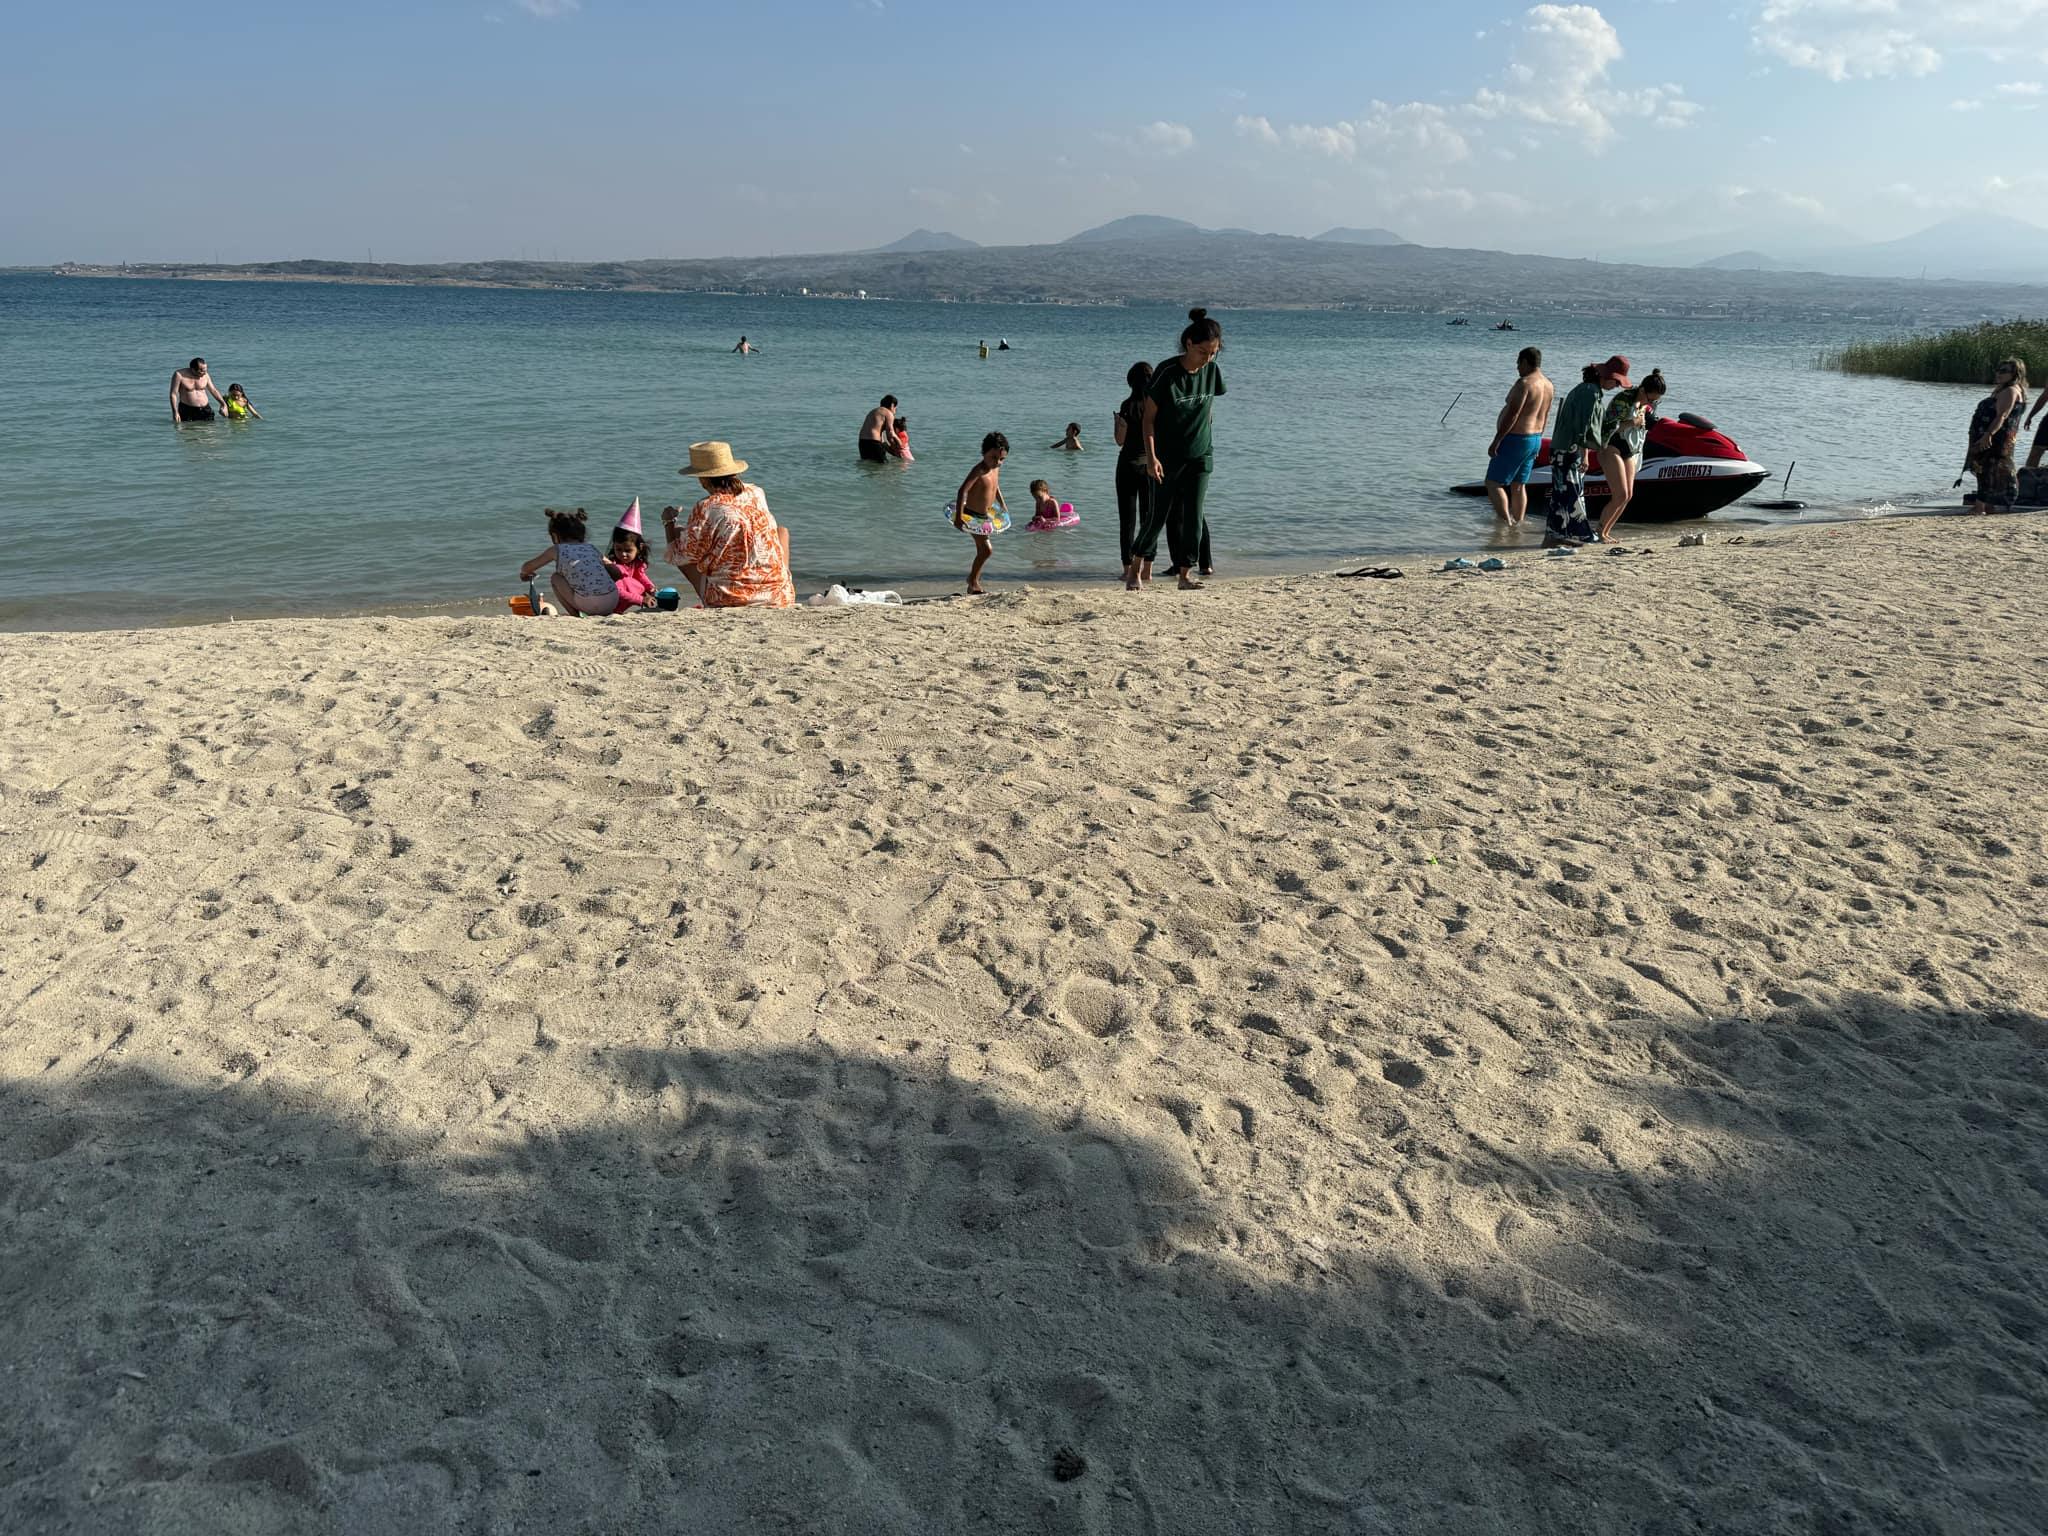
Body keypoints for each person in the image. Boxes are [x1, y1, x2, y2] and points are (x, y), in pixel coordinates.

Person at [1137, 307, 1227, 590]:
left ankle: (1185, 575)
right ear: (1188, 344)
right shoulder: (1166, 372)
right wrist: (1151, 458)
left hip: (1201, 454)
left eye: (1213, 353)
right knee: (1157, 516)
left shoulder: (1212, 370)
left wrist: (1205, 432)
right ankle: (1135, 567)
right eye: (1202, 352)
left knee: (1194, 516)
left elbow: (1208, 405)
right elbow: (1148, 419)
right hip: (1167, 457)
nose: (1207, 358)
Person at [662, 441, 796, 608]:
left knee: (679, 540)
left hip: (730, 599)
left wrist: (669, 523)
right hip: (779, 596)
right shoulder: (757, 492)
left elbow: (680, 555)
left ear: (703, 479)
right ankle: (777, 582)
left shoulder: (706, 507)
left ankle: (709, 598)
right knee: (781, 531)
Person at [1543, 356, 1626, 547]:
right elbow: (1584, 427)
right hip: (1570, 449)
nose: (1617, 386)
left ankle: (1555, 534)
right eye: (1616, 382)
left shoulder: (1588, 389)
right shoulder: (1590, 393)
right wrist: (1585, 455)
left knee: (1562, 493)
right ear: (1606, 376)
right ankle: (1580, 534)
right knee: (1573, 493)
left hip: (1561, 447)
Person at [1595, 368, 1667, 542]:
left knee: (1627, 496)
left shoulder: (1644, 405)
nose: (1651, 403)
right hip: (1611, 446)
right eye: (1651, 399)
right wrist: (1633, 422)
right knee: (1619, 494)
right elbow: (1607, 427)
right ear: (1642, 390)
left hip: (1629, 449)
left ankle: (1605, 532)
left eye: (1655, 401)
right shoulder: (1623, 400)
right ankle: (1599, 532)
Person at [1484, 347, 1552, 526]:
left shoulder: (1525, 383)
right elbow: (1545, 415)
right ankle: (1518, 524)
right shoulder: (1548, 385)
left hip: (1516, 439)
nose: (1517, 368)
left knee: (1492, 482)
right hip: (1534, 438)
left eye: (1518, 363)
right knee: (1519, 485)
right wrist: (1539, 441)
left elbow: (1513, 414)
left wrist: (1497, 440)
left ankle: (1506, 523)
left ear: (1525, 362)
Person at [520, 508, 621, 617]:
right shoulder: (591, 547)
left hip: (590, 604)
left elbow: (527, 567)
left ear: (555, 535)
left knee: (556, 578)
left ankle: (575, 615)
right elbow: (615, 571)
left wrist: (525, 574)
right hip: (612, 600)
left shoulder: (557, 549)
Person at [951, 431, 1011, 594]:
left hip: (984, 517)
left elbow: (995, 487)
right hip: (971, 515)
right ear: (984, 453)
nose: (997, 462)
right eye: (993, 457)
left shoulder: (995, 468)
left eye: (1002, 459)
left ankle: (973, 582)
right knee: (986, 550)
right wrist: (959, 518)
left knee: (982, 550)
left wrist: (1003, 505)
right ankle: (972, 581)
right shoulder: (978, 470)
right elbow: (962, 491)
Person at [1964, 359, 2028, 511]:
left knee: (1987, 469)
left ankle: (1980, 507)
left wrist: (1988, 435)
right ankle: (1988, 505)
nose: (1999, 373)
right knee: (1988, 469)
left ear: (2015, 374)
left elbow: (2002, 415)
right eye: (1999, 370)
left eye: (2004, 371)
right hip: (1995, 436)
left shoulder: (2010, 390)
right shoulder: (2004, 389)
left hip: (1995, 438)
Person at [1112, 362, 1155, 584]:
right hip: (1151, 466)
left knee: (1127, 520)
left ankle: (1128, 569)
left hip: (1128, 465)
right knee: (1149, 519)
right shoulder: (1157, 406)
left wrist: (1117, 423)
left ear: (1131, 382)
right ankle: (1147, 568)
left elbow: (1120, 440)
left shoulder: (1127, 405)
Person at [604, 500, 657, 610]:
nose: (623, 554)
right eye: (618, 549)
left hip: (620, 604)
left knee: (640, 585)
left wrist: (651, 588)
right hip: (609, 604)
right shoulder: (614, 567)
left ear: (639, 548)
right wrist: (641, 600)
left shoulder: (636, 563)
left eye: (628, 550)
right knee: (631, 583)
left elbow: (641, 576)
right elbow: (618, 591)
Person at [170, 358, 225, 424]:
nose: (204, 373)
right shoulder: (179, 375)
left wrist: (223, 404)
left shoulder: (205, 374)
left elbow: (213, 390)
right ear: (193, 369)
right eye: (201, 371)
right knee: (187, 429)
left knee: (209, 429)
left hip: (205, 409)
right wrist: (175, 412)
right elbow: (173, 394)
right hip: (187, 409)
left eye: (205, 370)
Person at [859, 396, 899, 463]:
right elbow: (890, 433)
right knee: (883, 465)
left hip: (862, 442)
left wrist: (892, 452)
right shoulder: (888, 413)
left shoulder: (873, 412)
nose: (895, 411)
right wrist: (896, 447)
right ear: (892, 406)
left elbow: (882, 441)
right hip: (874, 442)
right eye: (895, 408)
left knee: (868, 463)